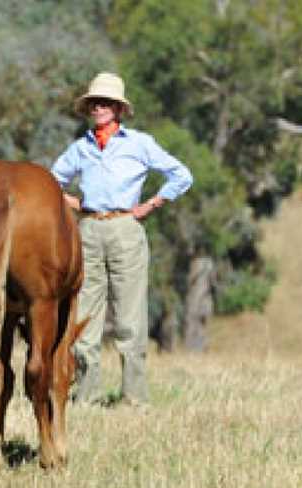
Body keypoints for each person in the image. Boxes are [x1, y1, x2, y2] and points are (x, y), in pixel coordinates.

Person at [50, 72, 193, 406]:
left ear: (118, 108)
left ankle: (134, 399)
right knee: (84, 317)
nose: (98, 107)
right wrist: (75, 204)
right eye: (93, 103)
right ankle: (85, 397)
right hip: (87, 230)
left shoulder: (139, 143)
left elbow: (182, 175)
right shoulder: (80, 148)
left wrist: (152, 204)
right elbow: (51, 181)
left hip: (126, 229)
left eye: (105, 103)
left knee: (130, 319)